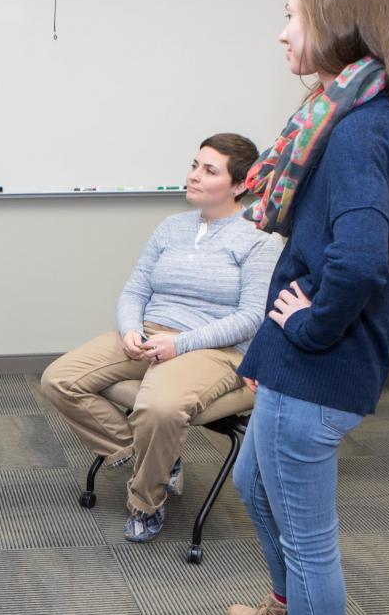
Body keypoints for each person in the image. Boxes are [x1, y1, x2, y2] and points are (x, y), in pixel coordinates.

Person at [220, 0, 389, 615]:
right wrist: (273, 350)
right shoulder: (349, 108)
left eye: (292, 15)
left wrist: (305, 332)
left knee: (310, 533)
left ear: (340, 22)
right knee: (252, 480)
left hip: (321, 365)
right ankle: (287, 612)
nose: (282, 32)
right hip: (298, 361)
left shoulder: (355, 131)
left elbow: (356, 264)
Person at [40, 135, 281, 542]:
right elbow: (135, 289)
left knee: (160, 406)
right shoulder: (171, 226)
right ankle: (152, 459)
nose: (193, 176)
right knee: (58, 379)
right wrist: (131, 328)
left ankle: (145, 502)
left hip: (213, 348)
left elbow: (252, 317)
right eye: (194, 165)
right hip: (150, 333)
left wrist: (180, 344)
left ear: (239, 185)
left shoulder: (260, 238)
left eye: (209, 170)